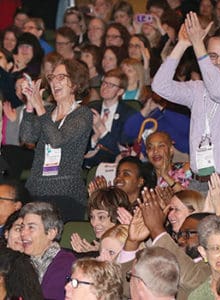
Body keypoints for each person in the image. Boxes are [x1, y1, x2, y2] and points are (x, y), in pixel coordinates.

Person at [152, 12, 220, 211]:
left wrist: (199, 44)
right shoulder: (197, 89)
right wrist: (183, 43)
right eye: (212, 56)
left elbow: (218, 91)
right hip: (197, 182)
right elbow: (160, 86)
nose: (218, 62)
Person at [20, 58, 93, 221]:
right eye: (52, 78)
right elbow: (27, 137)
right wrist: (30, 106)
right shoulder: (47, 111)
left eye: (61, 77)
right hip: (37, 187)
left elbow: (57, 140)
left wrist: (39, 107)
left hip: (65, 193)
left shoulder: (83, 114)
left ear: (75, 83)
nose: (54, 82)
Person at [20, 202, 76, 300]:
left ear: (51, 233)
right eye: (22, 227)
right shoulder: (21, 262)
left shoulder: (67, 264)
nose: (23, 233)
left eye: (31, 227)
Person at [83, 68, 136, 168]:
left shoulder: (129, 115)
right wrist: (94, 140)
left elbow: (122, 151)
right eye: (104, 83)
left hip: (113, 166)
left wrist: (102, 131)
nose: (105, 87)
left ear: (120, 91)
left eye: (111, 85)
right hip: (88, 164)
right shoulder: (90, 109)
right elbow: (80, 146)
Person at [71, 187, 131, 253]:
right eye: (92, 216)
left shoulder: (132, 251)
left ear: (120, 216)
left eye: (101, 217)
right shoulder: (94, 247)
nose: (94, 223)